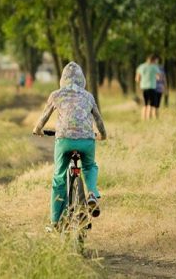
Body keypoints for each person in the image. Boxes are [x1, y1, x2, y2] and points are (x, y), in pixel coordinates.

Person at [33, 62, 108, 228]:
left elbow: (43, 118)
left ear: (62, 79)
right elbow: (99, 120)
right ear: (82, 79)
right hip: (87, 141)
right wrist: (102, 135)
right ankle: (92, 194)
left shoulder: (56, 95)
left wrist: (38, 130)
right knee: (89, 166)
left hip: (64, 141)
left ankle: (55, 222)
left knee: (59, 177)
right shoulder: (88, 96)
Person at [135, 55, 161, 120]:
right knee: (151, 104)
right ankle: (149, 118)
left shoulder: (141, 66)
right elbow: (158, 78)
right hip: (152, 87)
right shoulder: (154, 67)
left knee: (144, 104)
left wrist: (142, 81)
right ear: (153, 60)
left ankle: (143, 119)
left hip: (143, 87)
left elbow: (137, 79)